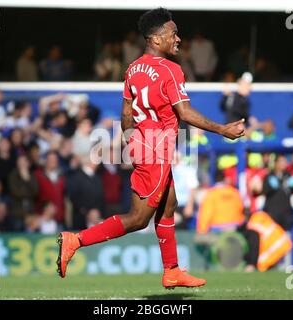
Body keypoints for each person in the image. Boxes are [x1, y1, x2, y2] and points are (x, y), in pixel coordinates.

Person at [56, 8, 245, 288]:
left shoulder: (132, 69)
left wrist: (134, 141)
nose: (178, 39)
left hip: (146, 146)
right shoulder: (171, 69)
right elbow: (185, 113)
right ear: (156, 39)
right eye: (173, 34)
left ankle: (171, 270)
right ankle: (76, 240)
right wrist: (223, 130)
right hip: (156, 149)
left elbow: (125, 115)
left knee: (169, 205)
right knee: (138, 219)